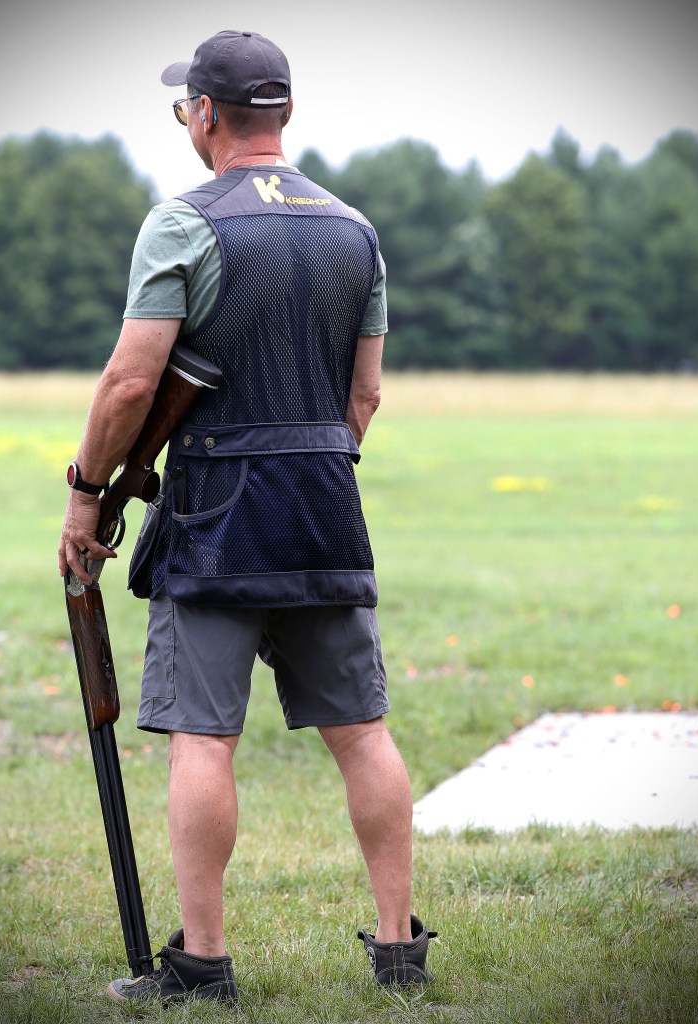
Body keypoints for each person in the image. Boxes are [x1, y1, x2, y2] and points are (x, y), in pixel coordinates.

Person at [58, 29, 435, 1006]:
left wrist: (86, 490)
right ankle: (400, 951)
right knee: (363, 733)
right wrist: (312, 465)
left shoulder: (181, 223)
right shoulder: (355, 231)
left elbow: (131, 381)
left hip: (215, 513)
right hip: (325, 504)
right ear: (287, 112)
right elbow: (364, 398)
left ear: (203, 116)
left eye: (184, 105)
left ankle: (203, 965)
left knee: (203, 739)